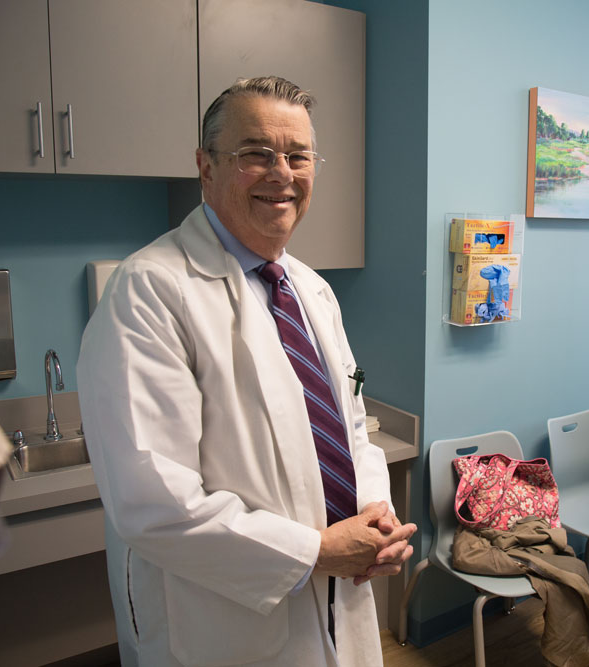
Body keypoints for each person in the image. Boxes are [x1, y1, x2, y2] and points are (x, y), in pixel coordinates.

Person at [76, 76, 416, 667]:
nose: (282, 173)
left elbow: (352, 428)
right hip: (223, 624)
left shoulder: (312, 290)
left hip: (339, 598)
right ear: (206, 167)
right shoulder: (150, 291)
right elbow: (153, 498)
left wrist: (375, 515)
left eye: (298, 155)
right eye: (255, 154)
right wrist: (312, 552)